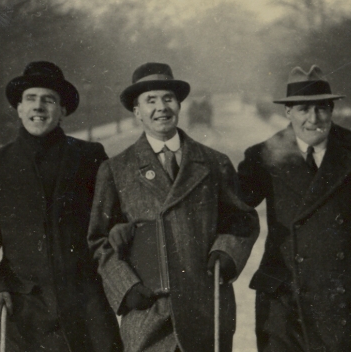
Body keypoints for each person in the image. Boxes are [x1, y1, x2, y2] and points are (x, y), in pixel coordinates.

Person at [88, 62, 259, 352]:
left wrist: (226, 253)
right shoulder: (116, 170)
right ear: (137, 111)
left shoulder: (214, 163)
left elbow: (242, 220)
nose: (161, 108)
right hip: (148, 314)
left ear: (179, 104)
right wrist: (126, 287)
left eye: (168, 98)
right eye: (150, 101)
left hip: (206, 309)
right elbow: (98, 240)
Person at [0, 61, 122, 352]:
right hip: (25, 314)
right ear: (19, 109)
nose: (39, 107)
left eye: (49, 100)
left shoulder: (90, 157)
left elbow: (110, 221)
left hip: (87, 307)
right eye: (30, 99)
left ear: (63, 111)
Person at [236, 66, 351, 352]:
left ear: (332, 110)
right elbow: (232, 209)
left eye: (322, 108)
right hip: (283, 293)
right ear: (288, 113)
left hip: (341, 294)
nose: (313, 119)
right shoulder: (262, 156)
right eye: (303, 109)